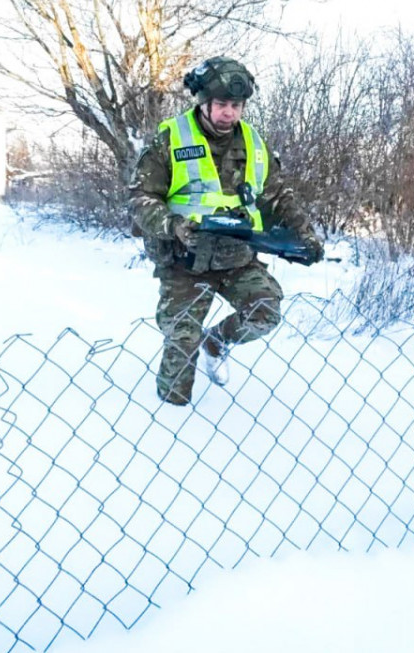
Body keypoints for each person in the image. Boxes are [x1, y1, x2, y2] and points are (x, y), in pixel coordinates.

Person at [129, 56, 324, 406]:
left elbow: (278, 196)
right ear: (203, 102)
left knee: (265, 311)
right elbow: (141, 198)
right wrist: (172, 225)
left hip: (237, 256)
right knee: (181, 339)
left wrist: (304, 236)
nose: (229, 113)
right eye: (221, 104)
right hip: (185, 260)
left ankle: (217, 341)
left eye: (236, 106)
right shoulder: (171, 138)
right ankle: (168, 416)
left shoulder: (253, 142)